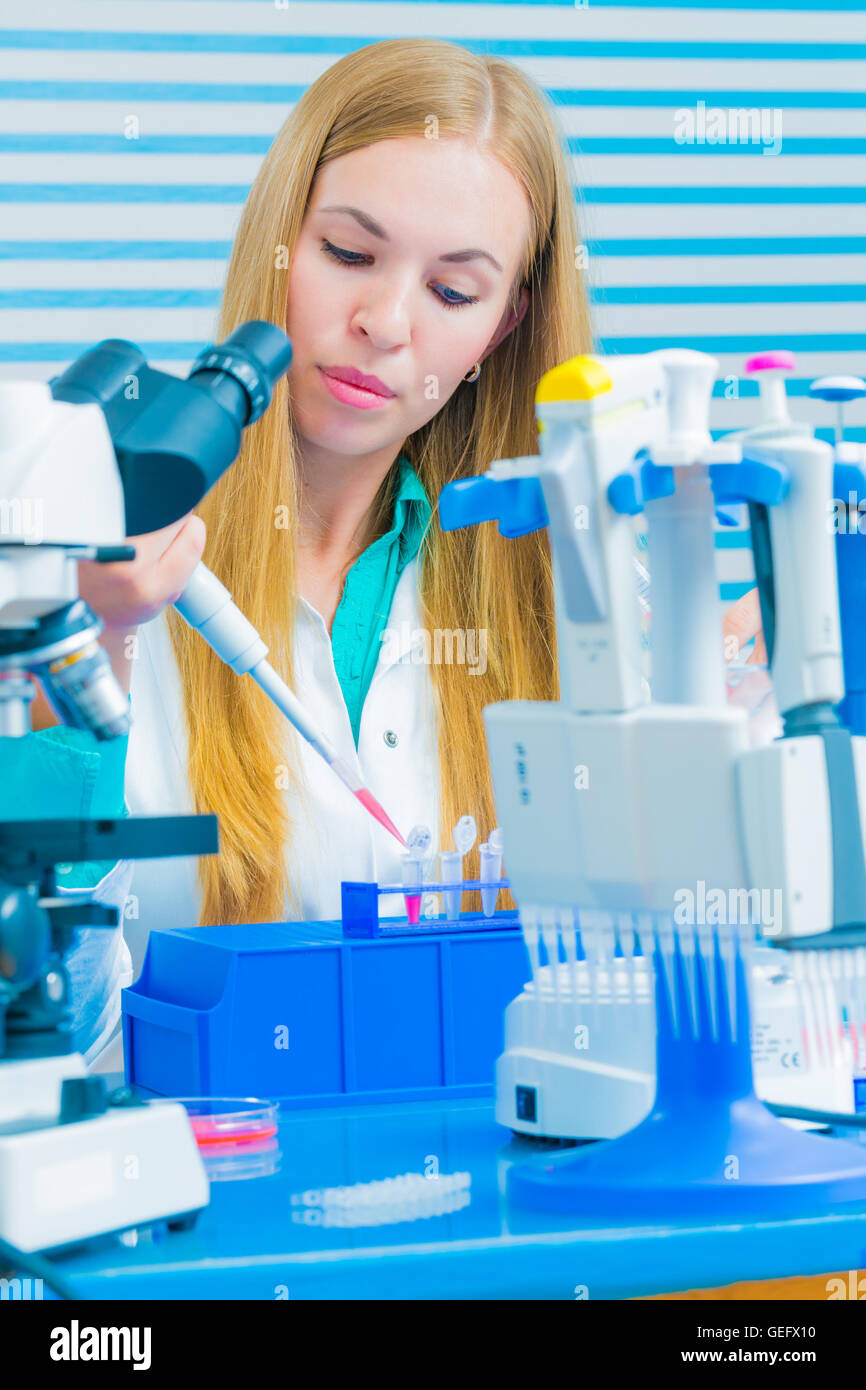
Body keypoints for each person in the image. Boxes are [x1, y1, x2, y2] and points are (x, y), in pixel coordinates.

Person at [13, 37, 763, 1070]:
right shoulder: (77, 553)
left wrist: (727, 728)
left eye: (453, 293)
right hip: (185, 1196)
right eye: (349, 254)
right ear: (280, 239)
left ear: (502, 329)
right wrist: (88, 648)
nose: (380, 324)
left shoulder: (578, 587)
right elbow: (42, 1029)